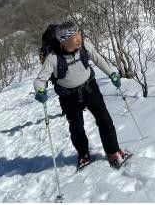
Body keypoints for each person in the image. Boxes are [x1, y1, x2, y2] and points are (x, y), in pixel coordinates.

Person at [33, 21, 131, 170]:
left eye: (79, 33)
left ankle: (113, 152)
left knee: (105, 120)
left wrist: (111, 74)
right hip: (68, 96)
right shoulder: (53, 58)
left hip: (90, 88)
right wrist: (40, 91)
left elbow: (98, 59)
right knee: (77, 127)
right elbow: (40, 80)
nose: (79, 38)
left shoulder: (85, 47)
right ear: (64, 41)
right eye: (74, 36)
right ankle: (83, 154)